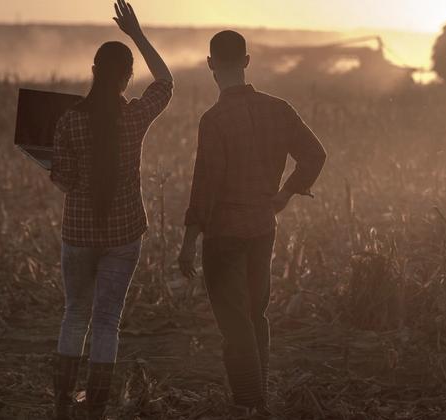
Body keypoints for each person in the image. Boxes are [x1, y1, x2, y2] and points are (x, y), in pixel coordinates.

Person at [177, 30, 327, 413]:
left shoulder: (214, 120)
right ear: (247, 61)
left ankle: (249, 401)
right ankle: (257, 400)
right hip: (263, 226)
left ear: (211, 65)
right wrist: (286, 194)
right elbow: (314, 155)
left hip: (224, 233)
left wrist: (189, 240)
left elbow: (205, 185)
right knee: (255, 315)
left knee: (234, 322)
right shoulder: (279, 109)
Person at [49, 1, 173, 419]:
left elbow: (63, 179)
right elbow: (167, 82)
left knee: (74, 314)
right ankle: (97, 403)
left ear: (93, 72)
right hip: (123, 236)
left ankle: (62, 398)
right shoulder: (135, 117)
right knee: (107, 321)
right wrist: (136, 34)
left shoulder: (68, 121)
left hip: (78, 235)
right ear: (126, 78)